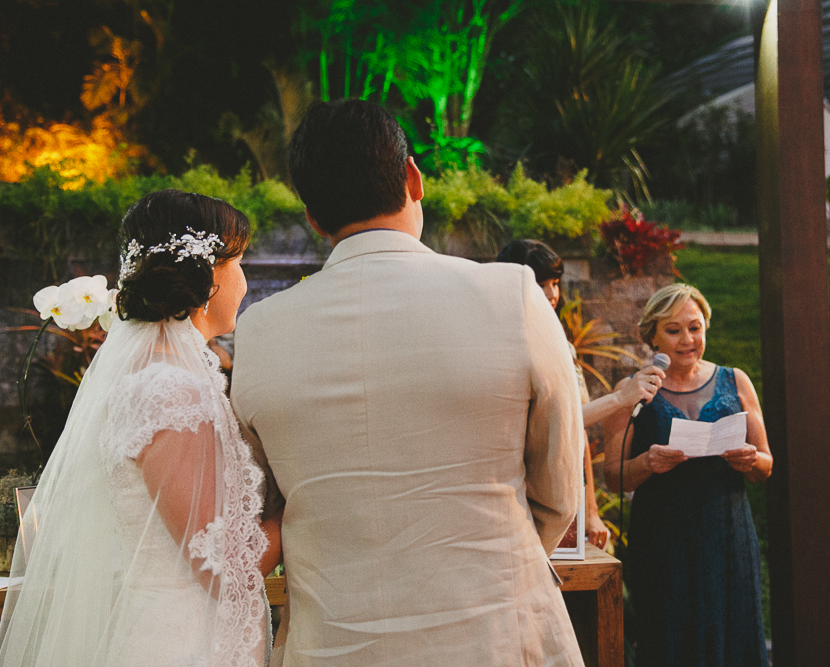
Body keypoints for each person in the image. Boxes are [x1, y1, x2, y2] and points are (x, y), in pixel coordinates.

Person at [231, 99, 585, 667]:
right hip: (496, 635)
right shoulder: (515, 296)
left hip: (334, 644)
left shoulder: (261, 332)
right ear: (413, 178)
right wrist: (499, 573)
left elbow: (260, 502)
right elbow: (559, 490)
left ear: (313, 217)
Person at [0, 190, 283, 667]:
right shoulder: (169, 389)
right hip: (183, 645)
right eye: (239, 264)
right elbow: (223, 566)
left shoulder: (166, 374)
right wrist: (310, 507)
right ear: (209, 275)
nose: (245, 283)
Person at [603, 283, 773, 667]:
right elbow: (612, 478)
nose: (687, 340)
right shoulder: (631, 392)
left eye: (694, 328)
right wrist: (647, 462)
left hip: (727, 533)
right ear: (652, 336)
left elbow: (767, 465)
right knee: (669, 640)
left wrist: (750, 460)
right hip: (664, 539)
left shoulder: (736, 381)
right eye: (674, 330)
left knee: (734, 637)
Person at [496, 239, 665, 550]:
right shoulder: (497, 347)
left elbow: (577, 432)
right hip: (511, 495)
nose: (551, 294)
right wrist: (619, 398)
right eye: (540, 283)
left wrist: (591, 512)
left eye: (556, 283)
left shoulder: (563, 345)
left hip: (557, 491)